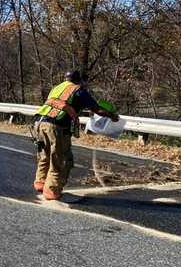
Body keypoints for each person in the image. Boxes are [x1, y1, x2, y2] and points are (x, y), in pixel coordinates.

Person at [33, 70, 119, 200]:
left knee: (45, 155)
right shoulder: (79, 90)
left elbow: (65, 106)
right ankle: (52, 190)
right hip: (56, 126)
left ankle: (40, 182)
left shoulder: (57, 88)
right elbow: (97, 109)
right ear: (79, 80)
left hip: (39, 124)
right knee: (62, 160)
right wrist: (112, 115)